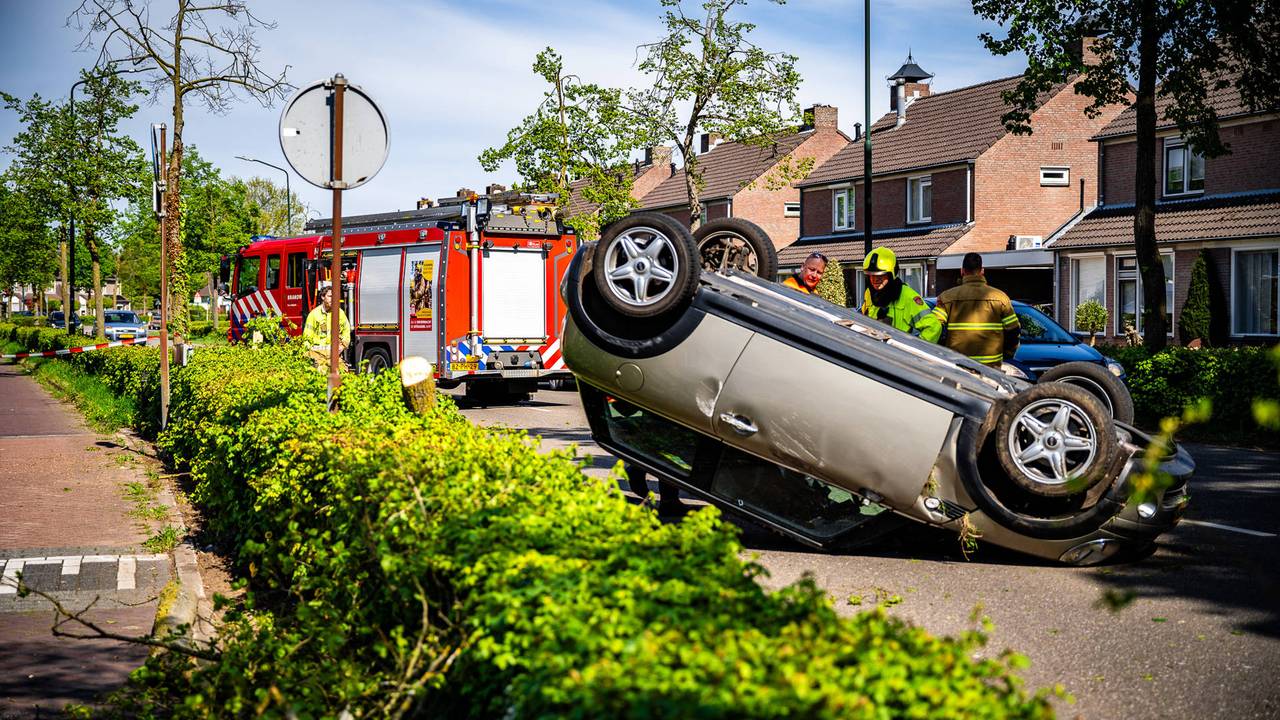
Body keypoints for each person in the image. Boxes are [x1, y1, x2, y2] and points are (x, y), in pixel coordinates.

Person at [932, 252, 1021, 367]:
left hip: (958, 367)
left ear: (962, 271)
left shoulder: (947, 297)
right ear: (982, 271)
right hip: (991, 368)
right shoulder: (1001, 298)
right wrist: (1008, 354)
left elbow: (934, 326)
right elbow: (1013, 330)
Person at [858, 247, 942, 342]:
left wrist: (912, 350)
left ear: (892, 274)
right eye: (871, 275)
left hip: (895, 354)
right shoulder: (869, 293)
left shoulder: (908, 296)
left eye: (880, 275)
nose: (875, 279)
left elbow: (933, 327)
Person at [302, 281, 352, 366]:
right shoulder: (314, 314)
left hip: (334, 356)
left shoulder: (340, 313)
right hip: (317, 356)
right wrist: (308, 355)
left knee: (341, 374)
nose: (333, 299)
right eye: (329, 296)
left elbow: (346, 331)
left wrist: (342, 346)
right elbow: (307, 337)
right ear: (322, 297)